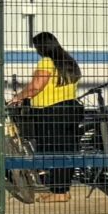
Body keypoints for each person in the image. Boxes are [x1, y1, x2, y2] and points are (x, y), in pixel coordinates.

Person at [11, 31, 84, 200]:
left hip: (51, 112)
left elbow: (36, 87)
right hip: (71, 109)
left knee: (53, 151)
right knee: (66, 151)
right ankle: (62, 190)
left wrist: (18, 97)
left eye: (37, 47)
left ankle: (58, 192)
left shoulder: (47, 62)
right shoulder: (68, 61)